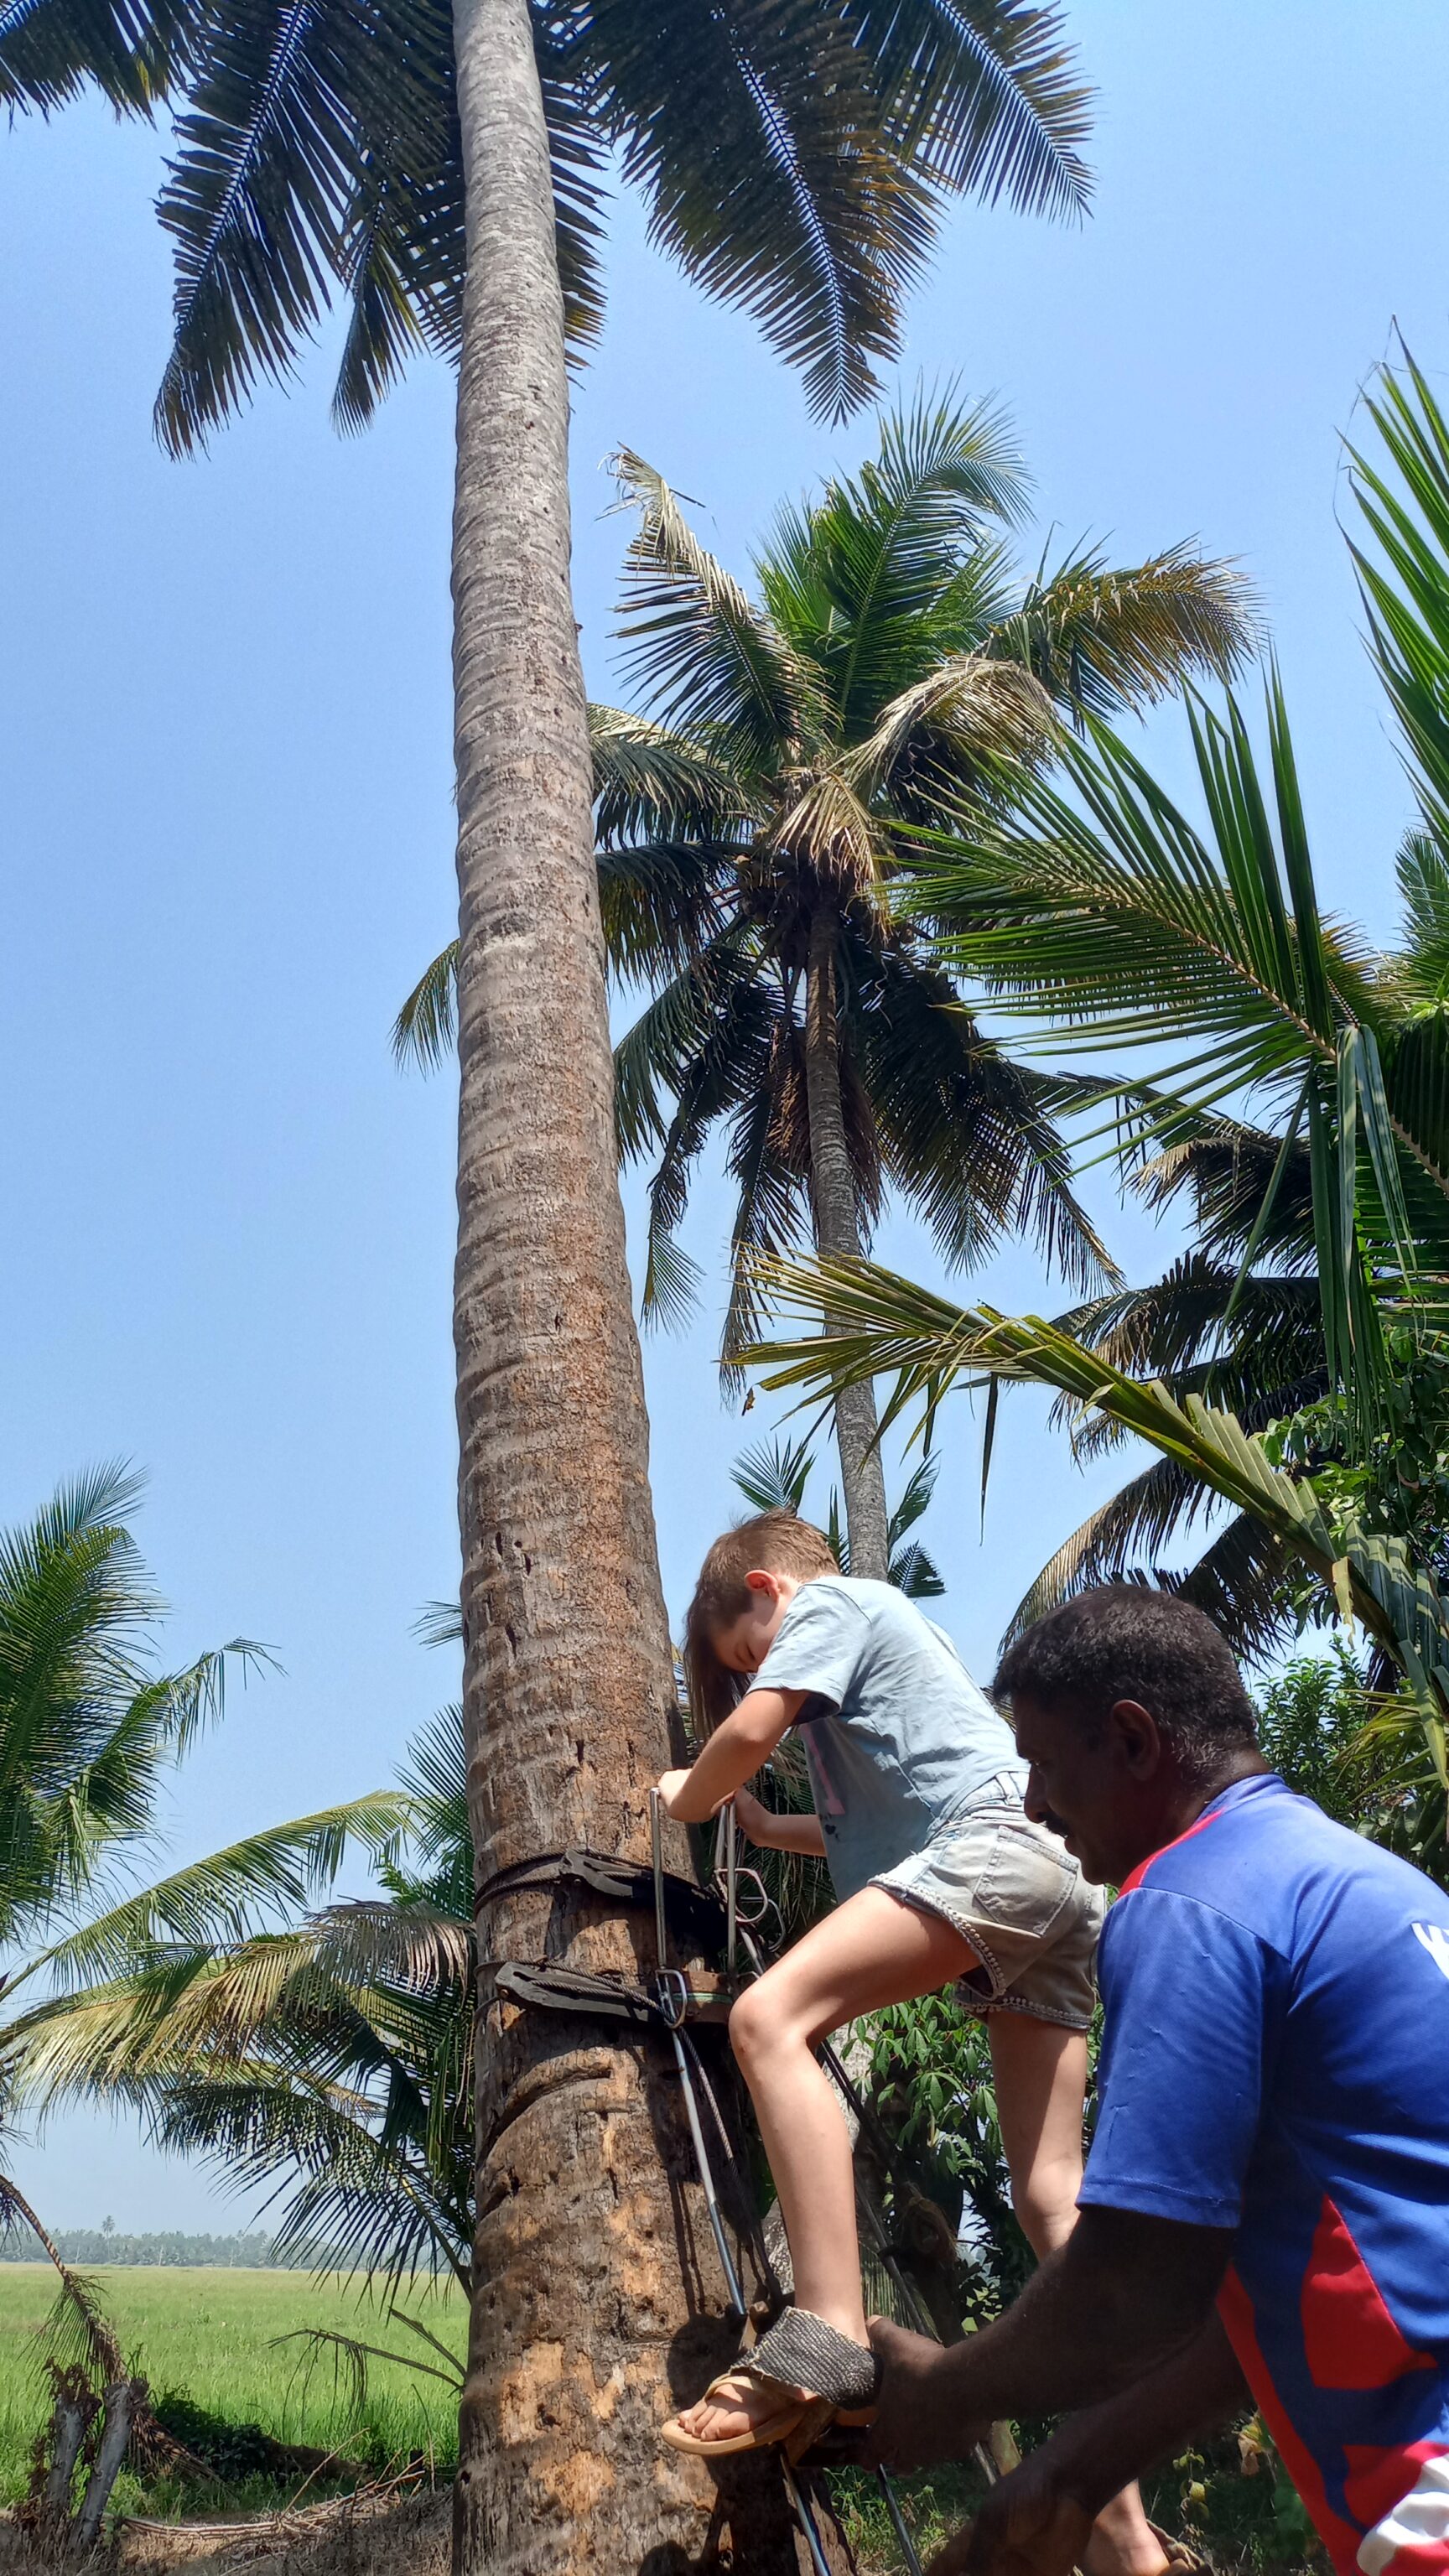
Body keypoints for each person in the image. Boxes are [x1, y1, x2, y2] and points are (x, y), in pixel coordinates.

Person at [850, 1584, 1449, 2576]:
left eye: (1043, 1764)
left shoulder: (1190, 1900)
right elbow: (1246, 2308)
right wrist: (1073, 2473)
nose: (1034, 1804)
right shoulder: (1379, 1887)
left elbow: (1138, 2281)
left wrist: (944, 2390)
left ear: (1132, 1742)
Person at [654, 1513, 1166, 2576]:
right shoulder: (887, 1687)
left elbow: (747, 1735)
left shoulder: (835, 1603)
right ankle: (1128, 2543)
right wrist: (755, 1824)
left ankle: (829, 2325)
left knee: (768, 2019)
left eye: (753, 1652)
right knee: (1049, 2196)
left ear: (769, 1590)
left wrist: (687, 1795)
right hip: (1056, 1880)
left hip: (996, 1851)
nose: (765, 1677)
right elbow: (855, 1820)